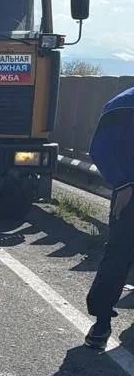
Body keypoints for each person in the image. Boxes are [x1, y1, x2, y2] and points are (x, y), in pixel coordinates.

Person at [82, 87, 134, 348]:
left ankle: (101, 324)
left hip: (129, 192)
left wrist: (122, 182)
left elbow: (99, 148)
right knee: (119, 255)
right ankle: (102, 322)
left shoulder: (121, 103)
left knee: (118, 254)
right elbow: (100, 148)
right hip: (131, 191)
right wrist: (124, 183)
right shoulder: (123, 104)